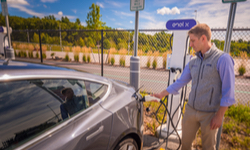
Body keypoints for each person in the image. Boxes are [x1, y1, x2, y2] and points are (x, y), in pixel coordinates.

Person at [153, 23, 235, 150]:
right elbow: (180, 82)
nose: (190, 44)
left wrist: (219, 115)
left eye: (192, 41)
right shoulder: (193, 62)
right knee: (185, 144)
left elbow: (228, 91)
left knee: (208, 147)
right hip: (191, 110)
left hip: (210, 114)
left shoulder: (222, 59)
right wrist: (162, 94)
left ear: (203, 38)